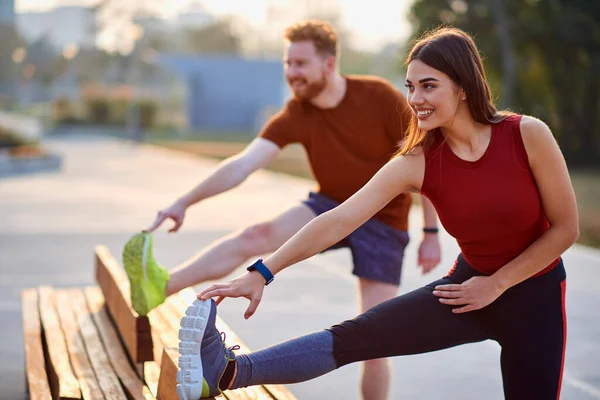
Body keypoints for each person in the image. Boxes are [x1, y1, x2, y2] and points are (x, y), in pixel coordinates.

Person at [174, 26, 579, 400]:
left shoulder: (527, 135)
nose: (415, 99)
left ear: (462, 87)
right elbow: (338, 220)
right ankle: (225, 373)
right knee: (357, 336)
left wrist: (497, 285)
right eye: (411, 87)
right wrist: (262, 271)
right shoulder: (416, 162)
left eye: (429, 86)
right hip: (463, 291)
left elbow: (565, 229)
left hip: (533, 296)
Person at [123, 20, 441, 400]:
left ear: (328, 64)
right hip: (328, 205)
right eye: (287, 64)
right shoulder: (297, 112)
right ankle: (158, 288)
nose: (292, 73)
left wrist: (431, 232)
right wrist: (183, 201)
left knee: (374, 341)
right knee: (253, 236)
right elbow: (243, 164)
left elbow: (426, 161)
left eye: (300, 64)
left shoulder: (378, 97)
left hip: (383, 222)